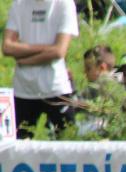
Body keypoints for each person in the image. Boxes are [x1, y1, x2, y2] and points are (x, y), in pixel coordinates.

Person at [2, 0, 78, 137]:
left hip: (55, 87)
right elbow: (7, 47)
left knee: (67, 141)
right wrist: (48, 48)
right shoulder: (19, 4)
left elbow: (59, 52)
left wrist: (26, 60)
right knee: (19, 146)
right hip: (24, 89)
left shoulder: (64, 4)